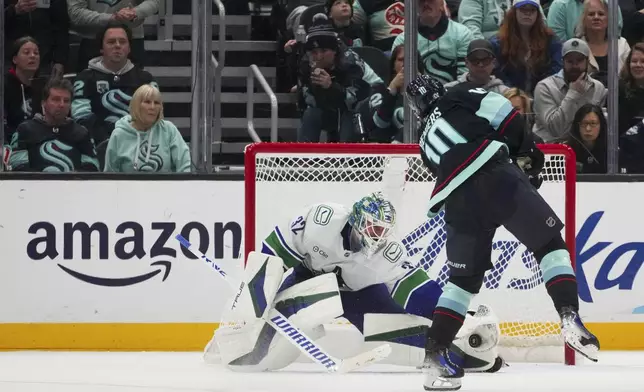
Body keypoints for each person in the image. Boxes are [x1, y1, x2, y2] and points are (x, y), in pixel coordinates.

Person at [405, 74, 599, 390]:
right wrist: (527, 152)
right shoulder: (459, 94)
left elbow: (450, 166)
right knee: (550, 245)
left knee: (461, 283)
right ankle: (568, 315)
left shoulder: (424, 141)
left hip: (456, 201)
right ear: (439, 90)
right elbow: (505, 115)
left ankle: (435, 354)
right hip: (494, 175)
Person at [210, 192, 505, 373]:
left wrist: (453, 317)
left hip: (357, 296)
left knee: (393, 332)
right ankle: (231, 342)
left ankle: (465, 353)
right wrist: (254, 303)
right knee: (268, 343)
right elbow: (273, 252)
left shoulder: (385, 253)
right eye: (374, 227)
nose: (379, 236)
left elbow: (417, 289)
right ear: (359, 220)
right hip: (308, 284)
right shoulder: (320, 220)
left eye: (384, 230)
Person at [8, 78, 99, 172]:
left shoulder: (82, 133)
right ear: (44, 103)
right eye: (56, 100)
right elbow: (18, 167)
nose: (62, 105)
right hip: (34, 185)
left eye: (66, 101)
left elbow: (91, 167)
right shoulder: (25, 130)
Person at [103, 84, 191, 173]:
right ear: (136, 105)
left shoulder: (168, 130)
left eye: (156, 103)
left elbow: (185, 165)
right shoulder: (119, 134)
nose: (152, 107)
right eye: (147, 102)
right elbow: (110, 174)